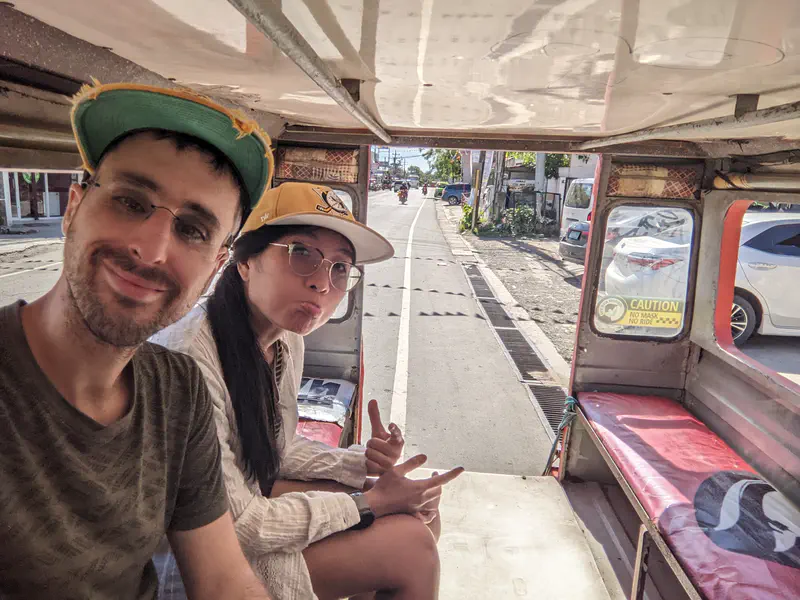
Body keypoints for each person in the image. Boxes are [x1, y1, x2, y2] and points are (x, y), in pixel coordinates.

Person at [0, 82, 275, 599]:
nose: (150, 249)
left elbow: (221, 578)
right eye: (130, 201)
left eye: (193, 230)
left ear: (217, 265)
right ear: (74, 207)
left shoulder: (177, 389)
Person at [152, 182, 464, 600]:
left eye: (339, 268)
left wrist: (359, 466)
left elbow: (275, 446)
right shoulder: (188, 359)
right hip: (195, 564)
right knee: (413, 549)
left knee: (423, 512)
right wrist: (368, 502)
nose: (323, 284)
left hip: (250, 503)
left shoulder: (283, 339)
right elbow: (238, 525)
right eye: (301, 254)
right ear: (245, 261)